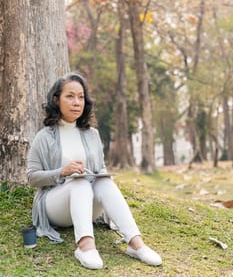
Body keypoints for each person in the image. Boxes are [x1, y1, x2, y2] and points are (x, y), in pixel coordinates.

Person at [27, 72, 162, 270]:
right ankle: (85, 246)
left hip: (87, 206)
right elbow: (32, 178)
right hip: (55, 206)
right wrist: (62, 171)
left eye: (81, 97)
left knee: (104, 181)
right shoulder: (44, 137)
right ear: (56, 100)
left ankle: (136, 243)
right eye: (70, 96)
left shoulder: (92, 135)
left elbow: (100, 169)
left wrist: (99, 174)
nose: (76, 102)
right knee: (79, 182)